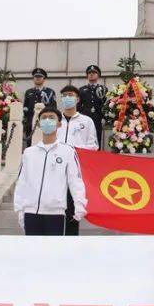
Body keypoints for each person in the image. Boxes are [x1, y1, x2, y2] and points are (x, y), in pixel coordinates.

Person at [13, 107, 87, 236]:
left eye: (51, 118)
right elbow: (22, 182)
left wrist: (79, 204)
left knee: (54, 254)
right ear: (39, 123)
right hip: (31, 212)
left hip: (56, 213)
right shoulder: (29, 153)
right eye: (44, 118)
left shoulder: (68, 151)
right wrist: (19, 209)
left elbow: (75, 181)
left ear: (59, 124)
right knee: (32, 252)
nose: (47, 121)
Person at [56, 85, 98, 235]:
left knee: (73, 206)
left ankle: (71, 239)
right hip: (56, 169)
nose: (67, 98)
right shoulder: (54, 119)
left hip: (76, 169)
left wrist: (76, 153)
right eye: (64, 95)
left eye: (71, 95)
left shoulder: (86, 121)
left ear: (77, 99)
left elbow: (93, 145)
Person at [22, 67, 56, 147]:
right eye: (36, 77)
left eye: (40, 77)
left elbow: (54, 108)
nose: (37, 78)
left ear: (44, 79)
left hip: (45, 122)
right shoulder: (29, 92)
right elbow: (25, 108)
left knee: (45, 144)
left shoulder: (50, 92)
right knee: (30, 144)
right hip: (31, 123)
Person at [77, 65, 108, 147]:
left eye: (94, 73)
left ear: (98, 75)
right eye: (89, 73)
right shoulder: (81, 90)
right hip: (85, 118)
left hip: (98, 118)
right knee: (84, 139)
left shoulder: (104, 89)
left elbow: (106, 105)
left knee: (97, 139)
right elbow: (78, 105)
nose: (91, 74)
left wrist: (104, 118)